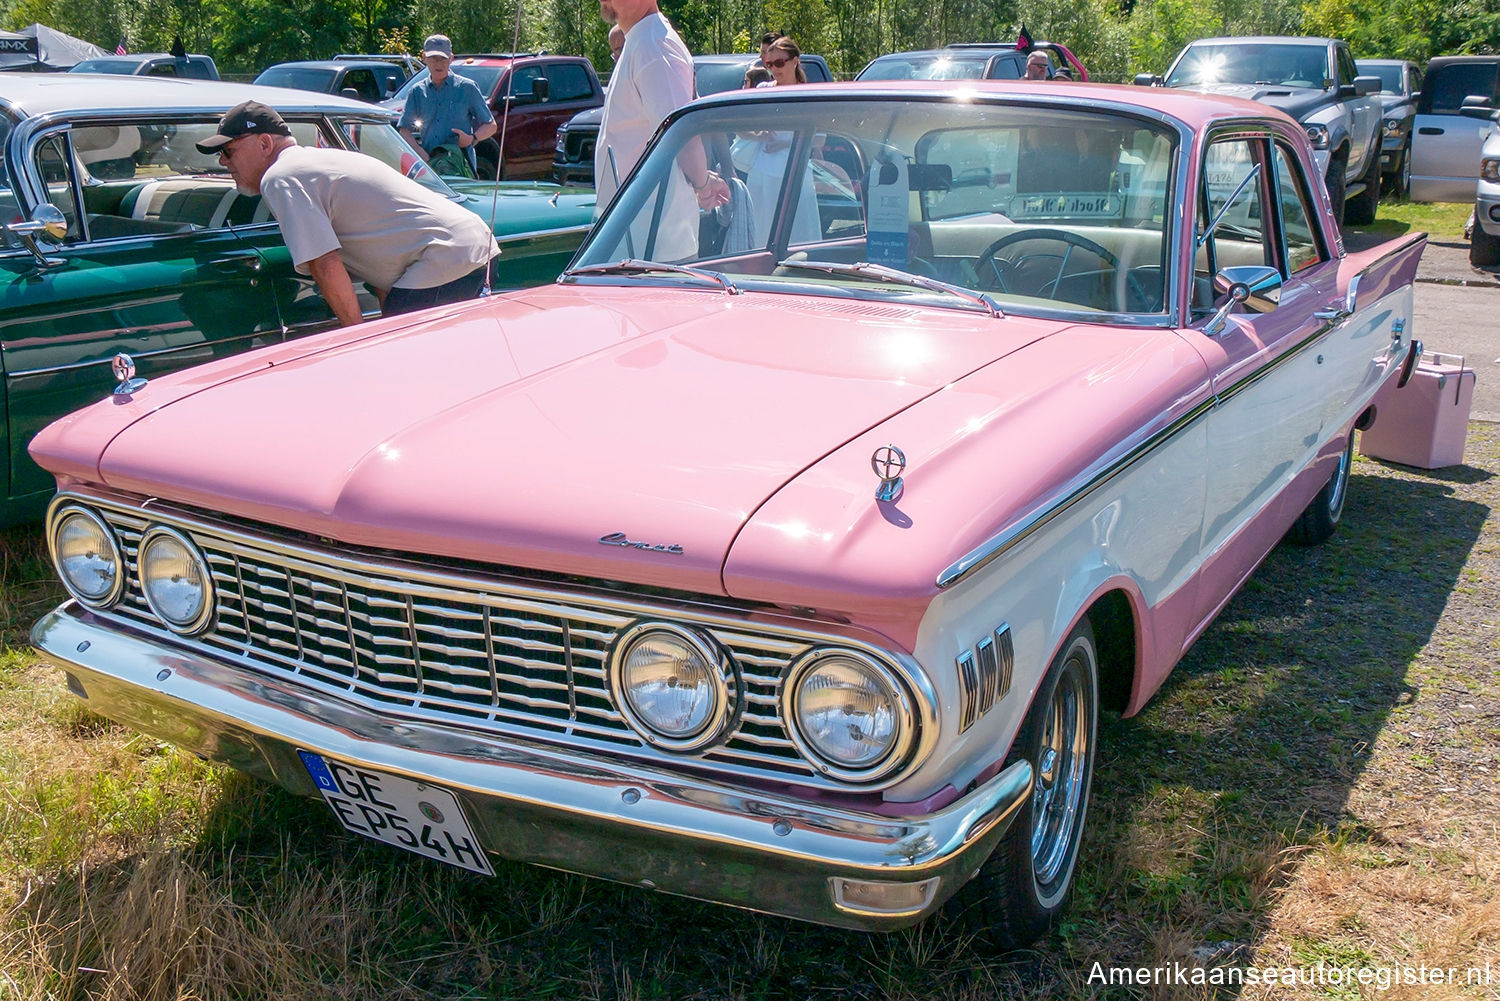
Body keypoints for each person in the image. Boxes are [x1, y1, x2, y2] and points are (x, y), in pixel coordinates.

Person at [198, 101, 499, 326]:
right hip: (471, 246)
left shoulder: (280, 176)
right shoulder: (320, 161)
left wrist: (356, 341)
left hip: (441, 260)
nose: (223, 162)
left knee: (409, 370)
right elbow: (383, 259)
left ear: (264, 143)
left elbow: (324, 262)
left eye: (228, 151)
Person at [594, 0, 729, 255]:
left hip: (655, 246)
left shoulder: (654, 45)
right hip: (637, 238)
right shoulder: (643, 40)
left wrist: (702, 185)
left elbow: (681, 136)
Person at [398, 34, 497, 174]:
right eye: (433, 58)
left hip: (461, 167)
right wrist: (420, 153)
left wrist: (472, 139)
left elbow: (491, 126)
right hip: (429, 168)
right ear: (424, 57)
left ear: (451, 58)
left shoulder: (467, 88)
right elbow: (404, 131)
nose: (438, 64)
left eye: (443, 59)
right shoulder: (416, 91)